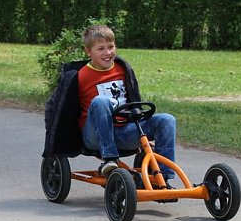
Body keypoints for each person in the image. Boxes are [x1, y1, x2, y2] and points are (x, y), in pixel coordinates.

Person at [43, 24, 177, 182]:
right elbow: (59, 108)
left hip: (123, 131)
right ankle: (109, 159)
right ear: (88, 51)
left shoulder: (122, 69)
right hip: (94, 136)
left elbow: (133, 99)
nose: (107, 53)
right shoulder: (78, 76)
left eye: (111, 47)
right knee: (101, 101)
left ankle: (163, 176)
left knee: (167, 119)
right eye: (100, 49)